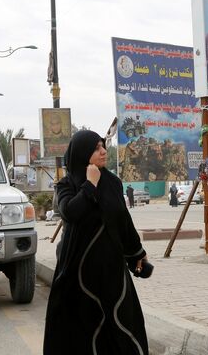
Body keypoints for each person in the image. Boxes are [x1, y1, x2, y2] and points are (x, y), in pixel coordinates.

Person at [44, 130, 149, 354]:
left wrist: (137, 252)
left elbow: (122, 220)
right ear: (83, 154)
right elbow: (71, 213)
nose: (103, 152)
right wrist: (90, 185)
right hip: (79, 272)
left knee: (122, 324)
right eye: (97, 148)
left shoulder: (112, 182)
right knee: (83, 330)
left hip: (112, 269)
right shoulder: (66, 185)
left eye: (103, 146)